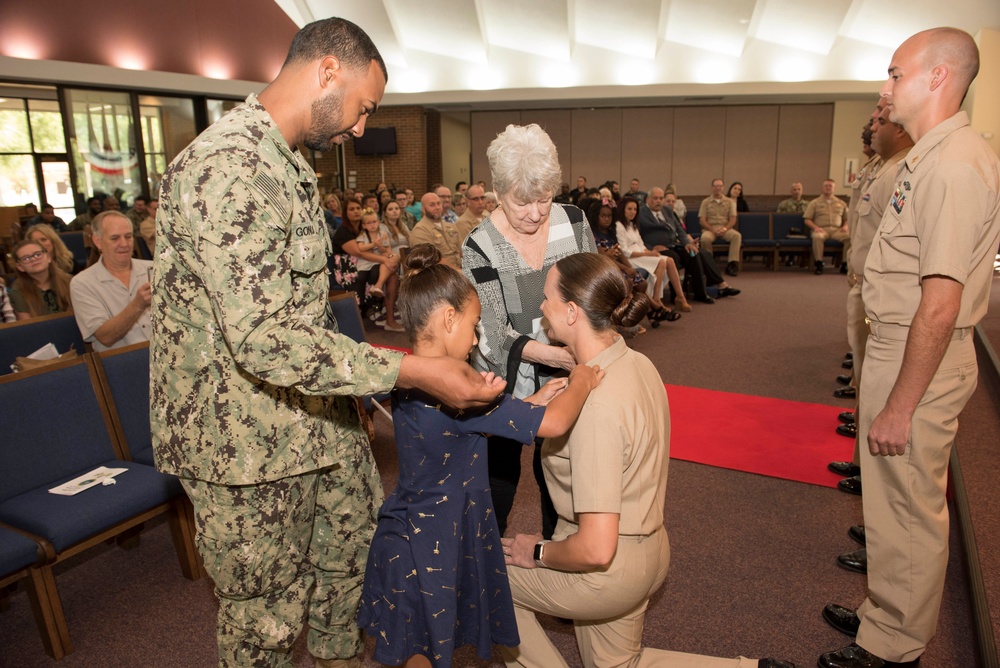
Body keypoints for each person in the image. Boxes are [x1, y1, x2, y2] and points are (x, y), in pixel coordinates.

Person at [151, 18, 504, 668]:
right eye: (364, 108)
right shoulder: (230, 168)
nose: (362, 129)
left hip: (314, 421)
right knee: (267, 628)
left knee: (353, 583)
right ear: (327, 71)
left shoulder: (284, 162)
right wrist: (414, 373)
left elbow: (300, 313)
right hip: (244, 448)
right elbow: (264, 341)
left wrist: (354, 403)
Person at [500, 253, 794, 668]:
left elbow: (596, 550)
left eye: (546, 298)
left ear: (571, 312)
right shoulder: (636, 362)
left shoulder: (595, 405)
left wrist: (540, 551)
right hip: (649, 548)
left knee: (486, 577)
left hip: (608, 570)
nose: (540, 307)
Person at [820, 27, 1000, 668]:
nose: (883, 87)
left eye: (896, 74)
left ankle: (894, 647)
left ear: (938, 79)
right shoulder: (928, 159)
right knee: (891, 502)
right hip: (898, 346)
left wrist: (901, 403)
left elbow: (941, 300)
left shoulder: (952, 166)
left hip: (916, 355)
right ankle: (884, 615)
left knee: (908, 507)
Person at [357, 244, 603, 668]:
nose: (476, 339)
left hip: (407, 531)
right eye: (474, 327)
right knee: (428, 647)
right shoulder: (462, 391)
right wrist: (580, 378)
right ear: (448, 319)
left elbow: (461, 430)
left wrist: (530, 400)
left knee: (421, 645)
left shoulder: (407, 374)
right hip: (437, 542)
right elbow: (556, 425)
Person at [462, 123, 597, 540]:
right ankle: (491, 575)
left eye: (544, 199)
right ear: (498, 194)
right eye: (522, 203)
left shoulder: (573, 222)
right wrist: (559, 356)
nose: (536, 213)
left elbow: (592, 296)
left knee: (561, 480)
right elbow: (495, 333)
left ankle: (559, 569)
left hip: (570, 372)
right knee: (498, 485)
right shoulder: (479, 246)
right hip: (505, 377)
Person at [70, 211, 151, 350]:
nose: (124, 244)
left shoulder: (154, 268)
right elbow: (105, 337)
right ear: (97, 241)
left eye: (128, 236)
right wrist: (137, 305)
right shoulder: (82, 283)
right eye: (115, 238)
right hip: (122, 362)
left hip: (168, 358)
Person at [614, 196, 683, 322]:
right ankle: (657, 301)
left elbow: (641, 245)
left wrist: (651, 252)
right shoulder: (619, 225)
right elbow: (624, 251)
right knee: (661, 261)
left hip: (640, 254)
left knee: (664, 260)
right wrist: (647, 255)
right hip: (631, 258)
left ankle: (657, 299)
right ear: (622, 209)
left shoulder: (632, 225)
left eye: (635, 209)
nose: (632, 212)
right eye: (629, 209)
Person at [353, 208, 403, 331]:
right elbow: (361, 250)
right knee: (391, 268)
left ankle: (379, 286)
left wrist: (382, 248)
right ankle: (380, 287)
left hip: (381, 262)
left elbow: (388, 250)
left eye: (375, 222)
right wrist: (373, 245)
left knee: (395, 257)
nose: (373, 225)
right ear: (364, 225)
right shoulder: (363, 236)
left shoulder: (383, 234)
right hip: (368, 264)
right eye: (369, 223)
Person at [7, 239, 73, 319]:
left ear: (48, 257)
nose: (33, 259)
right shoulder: (17, 291)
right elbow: (27, 325)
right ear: (20, 267)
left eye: (37, 254)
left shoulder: (70, 281)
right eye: (26, 258)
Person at [804, 179, 849, 275]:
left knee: (850, 237)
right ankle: (819, 263)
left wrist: (845, 226)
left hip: (837, 230)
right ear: (822, 188)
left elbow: (847, 218)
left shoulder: (841, 203)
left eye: (830, 186)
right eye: (826, 186)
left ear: (834, 188)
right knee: (817, 237)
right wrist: (815, 227)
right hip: (821, 229)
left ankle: (845, 264)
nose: (828, 188)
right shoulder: (815, 203)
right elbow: (807, 219)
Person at [699, 178, 743, 277]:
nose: (718, 188)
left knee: (737, 236)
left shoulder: (729, 202)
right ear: (712, 188)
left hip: (725, 228)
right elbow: (702, 220)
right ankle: (709, 264)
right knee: (705, 238)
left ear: (723, 188)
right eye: (715, 186)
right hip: (710, 229)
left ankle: (732, 265)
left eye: (720, 186)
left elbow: (733, 219)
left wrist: (725, 229)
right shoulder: (705, 202)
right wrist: (713, 229)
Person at [410, 192, 463, 269]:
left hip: (460, 269)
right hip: (439, 274)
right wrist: (459, 272)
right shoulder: (420, 230)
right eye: (432, 205)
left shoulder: (450, 226)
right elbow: (431, 260)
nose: (437, 207)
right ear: (423, 210)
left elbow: (462, 251)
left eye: (438, 203)